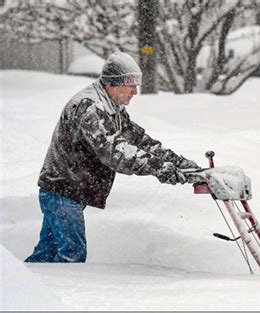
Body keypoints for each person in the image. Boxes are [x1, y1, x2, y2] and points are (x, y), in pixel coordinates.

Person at [25, 52, 199, 263]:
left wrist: (177, 163)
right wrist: (158, 167)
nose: (135, 91)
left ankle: (27, 287)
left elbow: (139, 140)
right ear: (113, 84)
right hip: (62, 192)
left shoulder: (111, 108)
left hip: (66, 191)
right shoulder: (89, 106)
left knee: (46, 255)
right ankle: (55, 293)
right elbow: (114, 151)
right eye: (131, 84)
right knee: (72, 256)